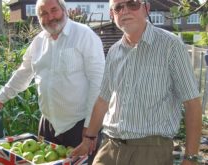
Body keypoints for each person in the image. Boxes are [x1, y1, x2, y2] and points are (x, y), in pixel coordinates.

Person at [71, 0, 202, 165]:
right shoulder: (114, 51)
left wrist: (190, 158)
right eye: (118, 7)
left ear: (146, 8)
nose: (125, 10)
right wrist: (88, 138)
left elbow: (192, 103)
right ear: (112, 15)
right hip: (110, 147)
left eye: (132, 4)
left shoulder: (171, 46)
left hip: (150, 152)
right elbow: (103, 100)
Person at [0, 0, 105, 162]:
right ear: (39, 18)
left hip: (79, 127)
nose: (50, 17)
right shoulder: (38, 42)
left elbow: (98, 83)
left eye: (54, 10)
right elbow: (23, 73)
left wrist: (90, 129)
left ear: (64, 10)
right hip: (48, 126)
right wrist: (1, 98)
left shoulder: (84, 35)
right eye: (43, 13)